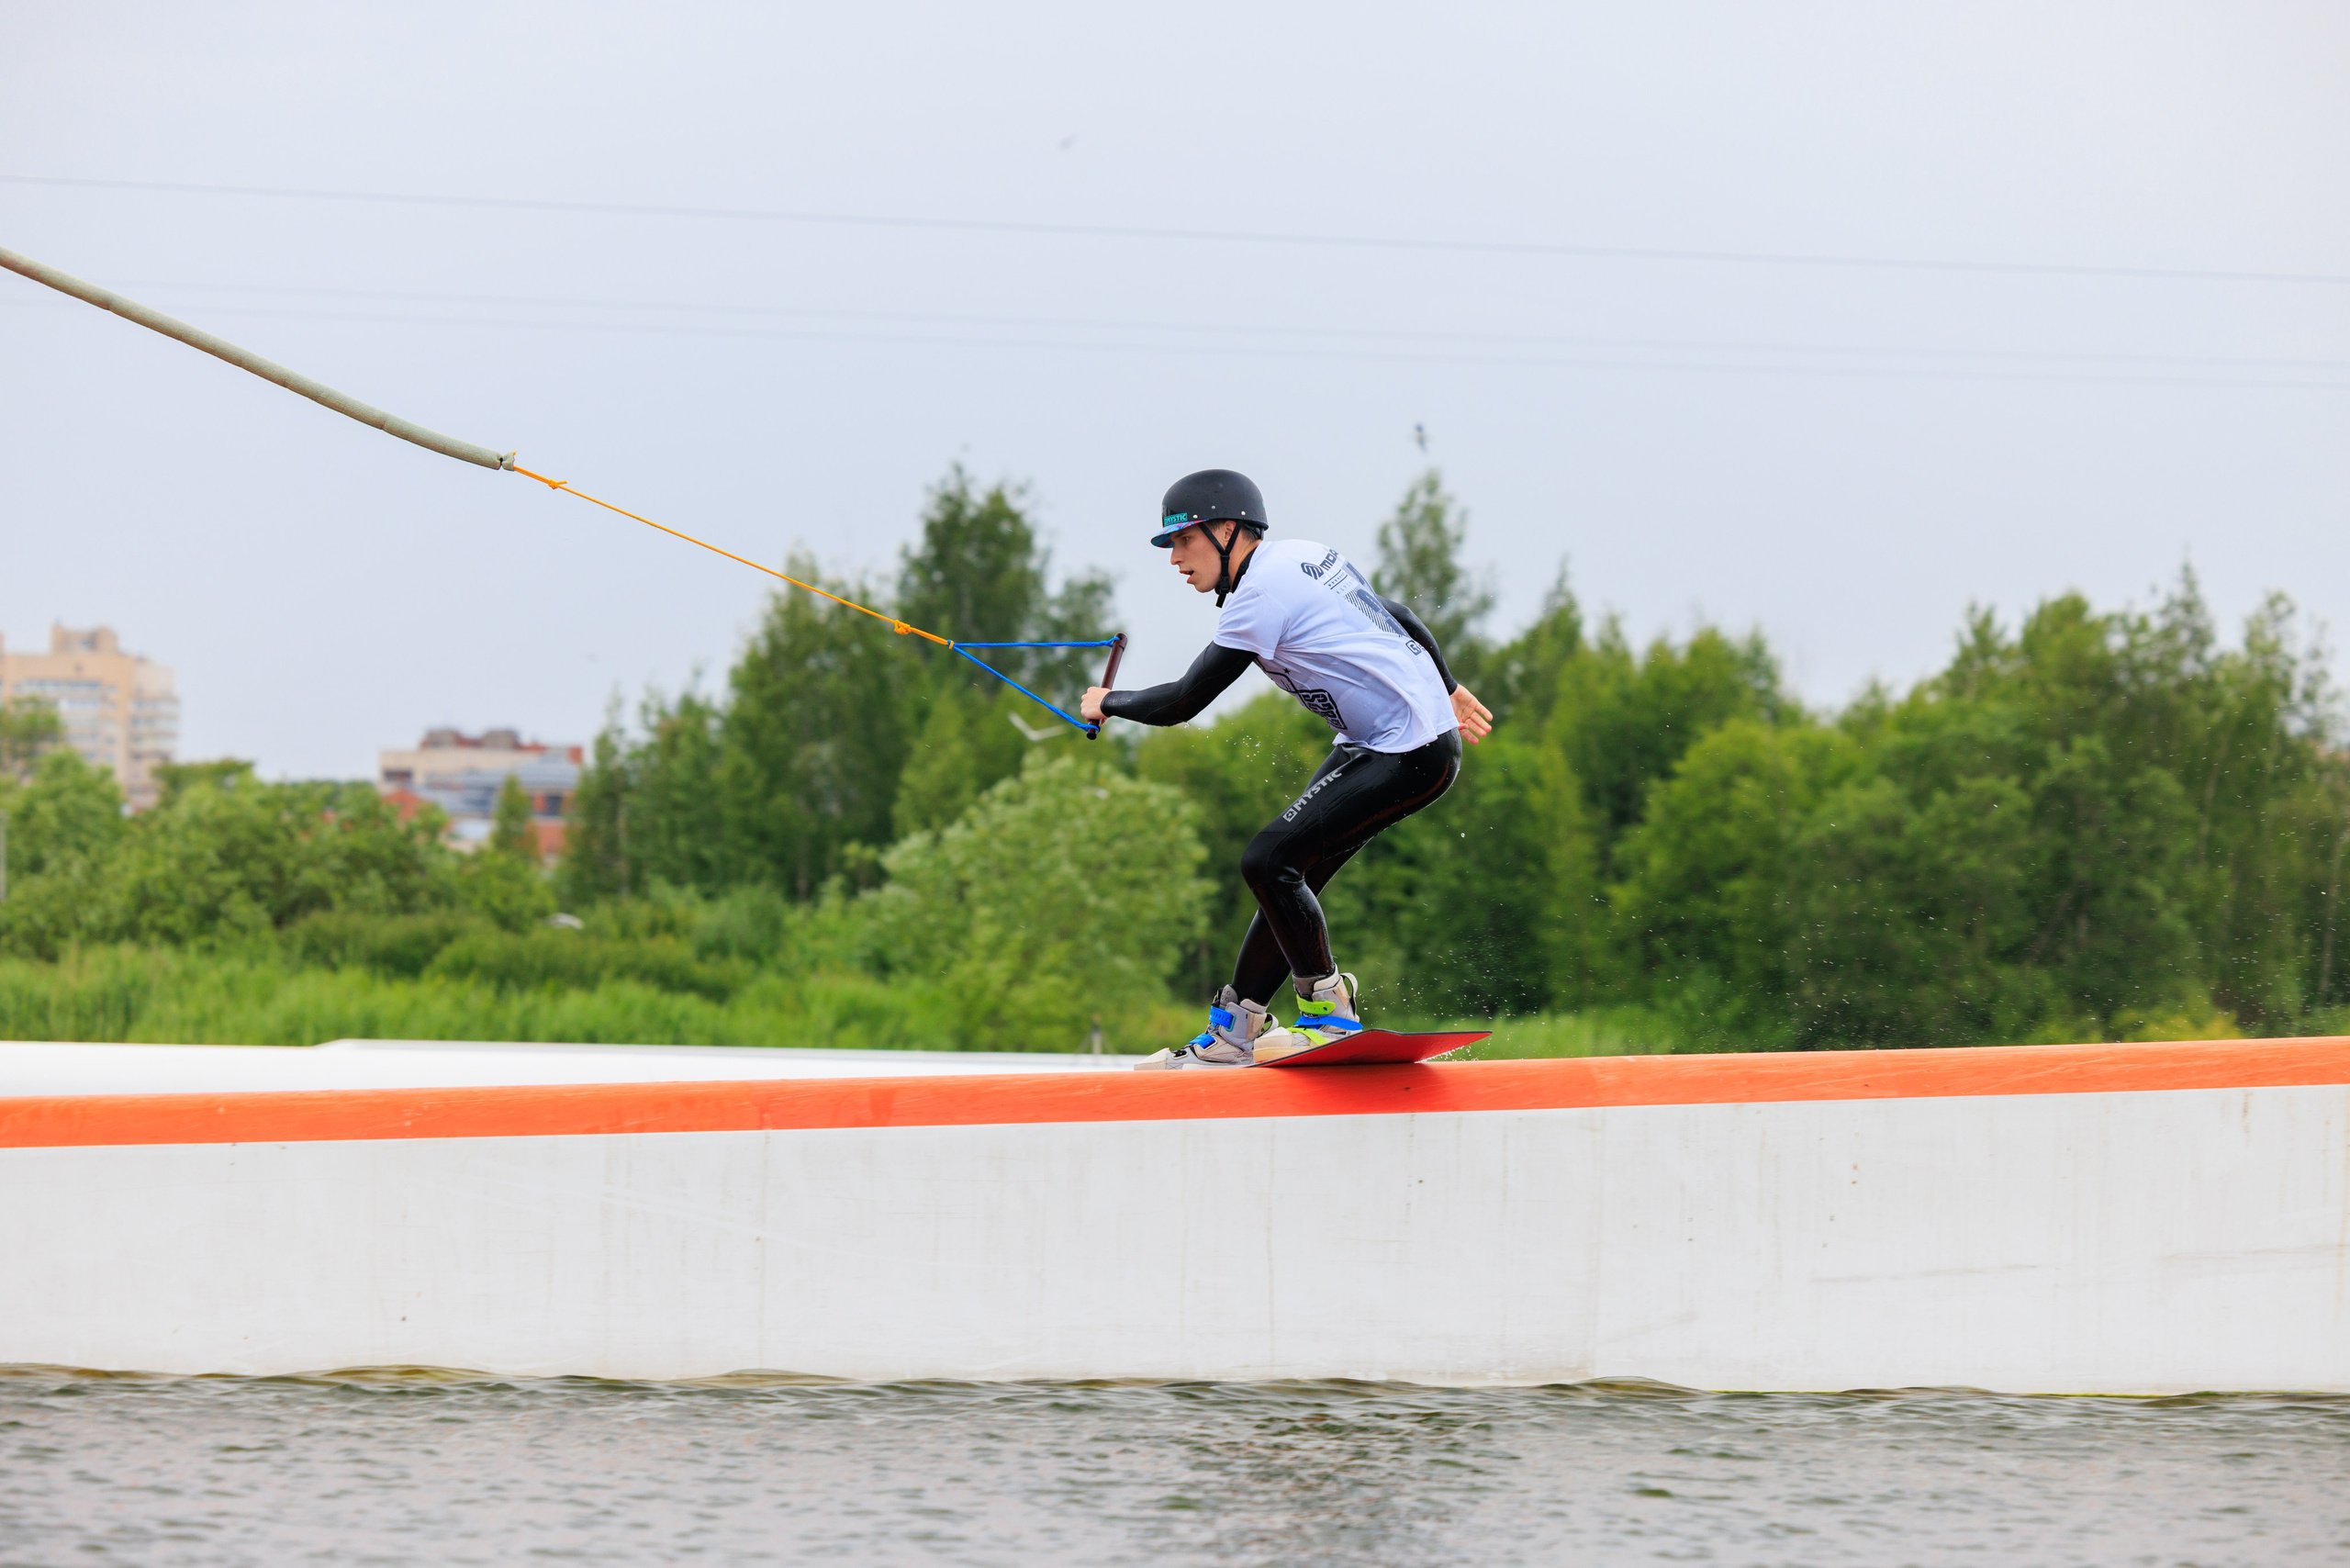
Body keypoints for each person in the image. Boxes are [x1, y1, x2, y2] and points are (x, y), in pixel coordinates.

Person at [1081, 468, 1494, 1070]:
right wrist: (1448, 686)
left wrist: (1108, 703)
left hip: (1409, 750)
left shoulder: (1259, 595)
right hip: (1381, 741)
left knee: (1268, 861)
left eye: (1184, 540)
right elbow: (1395, 612)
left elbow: (1183, 702)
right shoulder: (1302, 556)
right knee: (1285, 875)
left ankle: (1329, 1009)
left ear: (1228, 530)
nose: (1174, 559)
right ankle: (1237, 1027)